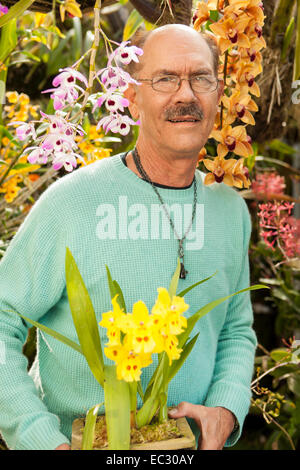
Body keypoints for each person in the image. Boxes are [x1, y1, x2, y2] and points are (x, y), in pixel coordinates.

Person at [0, 24, 257, 450]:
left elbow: (235, 328)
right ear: (131, 97)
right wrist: (40, 440)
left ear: (218, 95)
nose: (186, 95)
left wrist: (226, 410)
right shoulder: (73, 202)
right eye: (165, 79)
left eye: (201, 78)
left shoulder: (229, 209)